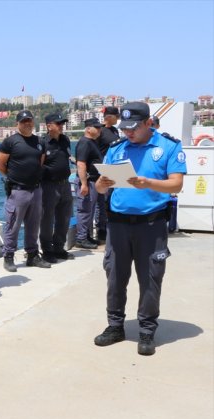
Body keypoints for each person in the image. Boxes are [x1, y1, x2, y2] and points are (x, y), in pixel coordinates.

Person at [93, 102, 186, 356]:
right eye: (124, 128)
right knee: (114, 277)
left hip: (151, 225)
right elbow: (101, 190)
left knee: (150, 279)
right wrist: (101, 184)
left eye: (133, 128)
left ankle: (146, 329)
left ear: (148, 123)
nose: (128, 133)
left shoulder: (168, 147)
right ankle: (115, 326)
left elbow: (176, 185)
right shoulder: (116, 148)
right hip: (118, 224)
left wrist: (148, 183)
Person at [0, 110, 51, 271]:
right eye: (24, 121)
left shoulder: (39, 141)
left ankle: (32, 255)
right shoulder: (10, 142)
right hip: (18, 190)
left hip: (36, 190)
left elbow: (40, 162)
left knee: (34, 225)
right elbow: (0, 165)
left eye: (30, 120)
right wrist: (14, 177)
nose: (27, 123)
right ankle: (8, 256)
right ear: (17, 123)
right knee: (13, 224)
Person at [39, 113, 74, 263]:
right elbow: (39, 165)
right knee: (47, 219)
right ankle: (47, 250)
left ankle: (59, 247)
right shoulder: (42, 143)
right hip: (49, 186)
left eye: (62, 123)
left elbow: (67, 158)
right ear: (49, 126)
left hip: (65, 184)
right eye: (58, 123)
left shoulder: (65, 140)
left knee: (64, 217)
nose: (61, 126)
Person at [74, 118, 105, 250]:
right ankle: (81, 239)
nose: (99, 130)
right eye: (96, 127)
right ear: (88, 129)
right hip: (88, 181)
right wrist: (84, 184)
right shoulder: (84, 143)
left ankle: (86, 236)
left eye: (100, 127)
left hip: (95, 181)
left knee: (90, 210)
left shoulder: (92, 142)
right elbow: (81, 164)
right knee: (85, 210)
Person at [95, 106, 120, 243]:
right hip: (104, 170)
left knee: (110, 200)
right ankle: (101, 230)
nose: (119, 118)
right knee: (102, 202)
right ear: (109, 117)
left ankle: (110, 226)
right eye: (117, 116)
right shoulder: (101, 131)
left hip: (115, 169)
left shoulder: (115, 130)